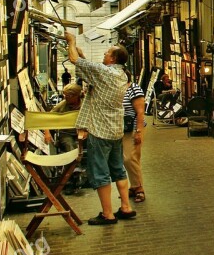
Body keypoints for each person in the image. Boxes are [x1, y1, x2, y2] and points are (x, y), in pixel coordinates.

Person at [65, 31, 136, 225]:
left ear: (113, 59)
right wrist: (81, 55)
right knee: (118, 169)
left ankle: (107, 214)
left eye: (106, 53)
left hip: (100, 129)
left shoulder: (106, 72)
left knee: (100, 172)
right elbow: (92, 71)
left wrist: (71, 41)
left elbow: (73, 60)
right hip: (115, 129)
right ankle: (126, 207)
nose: (104, 55)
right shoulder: (122, 74)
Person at [122, 80, 147, 203]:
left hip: (133, 128)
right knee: (127, 159)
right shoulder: (117, 87)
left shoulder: (134, 89)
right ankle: (133, 186)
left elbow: (140, 111)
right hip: (121, 129)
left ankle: (139, 188)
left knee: (130, 158)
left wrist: (138, 131)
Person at [44, 84, 83, 153]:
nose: (65, 98)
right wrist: (47, 133)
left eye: (68, 96)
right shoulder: (63, 105)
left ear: (76, 96)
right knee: (70, 147)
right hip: (66, 134)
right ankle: (74, 162)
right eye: (65, 95)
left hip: (82, 132)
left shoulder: (84, 105)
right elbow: (48, 118)